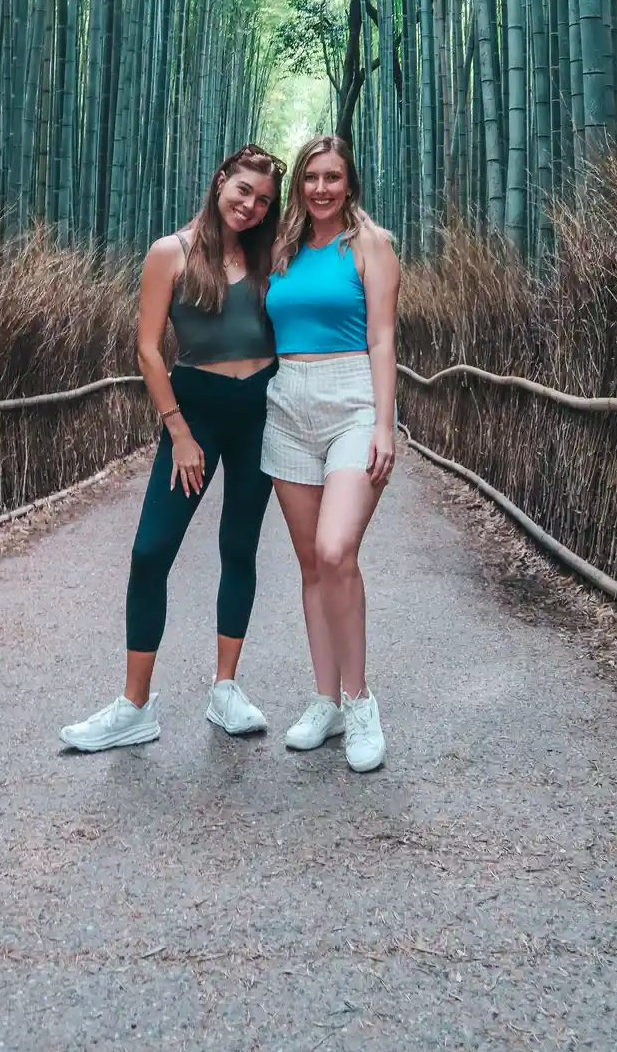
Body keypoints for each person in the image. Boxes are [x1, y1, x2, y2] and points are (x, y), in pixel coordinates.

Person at [61, 145, 285, 752]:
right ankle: (134, 706)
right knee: (150, 550)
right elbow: (148, 349)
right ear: (220, 182)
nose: (251, 206)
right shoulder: (172, 252)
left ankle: (226, 689)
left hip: (260, 410)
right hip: (196, 412)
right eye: (243, 191)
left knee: (239, 546)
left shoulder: (270, 257)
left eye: (264, 200)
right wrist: (179, 430)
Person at [260, 135, 400, 773]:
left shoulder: (370, 244)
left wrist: (384, 424)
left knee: (337, 550)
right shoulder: (282, 248)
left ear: (351, 183)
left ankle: (361, 700)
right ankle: (326, 701)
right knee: (311, 566)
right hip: (288, 404)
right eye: (311, 177)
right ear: (300, 186)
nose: (321, 188)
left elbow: (381, 338)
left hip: (351, 403)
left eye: (332, 177)